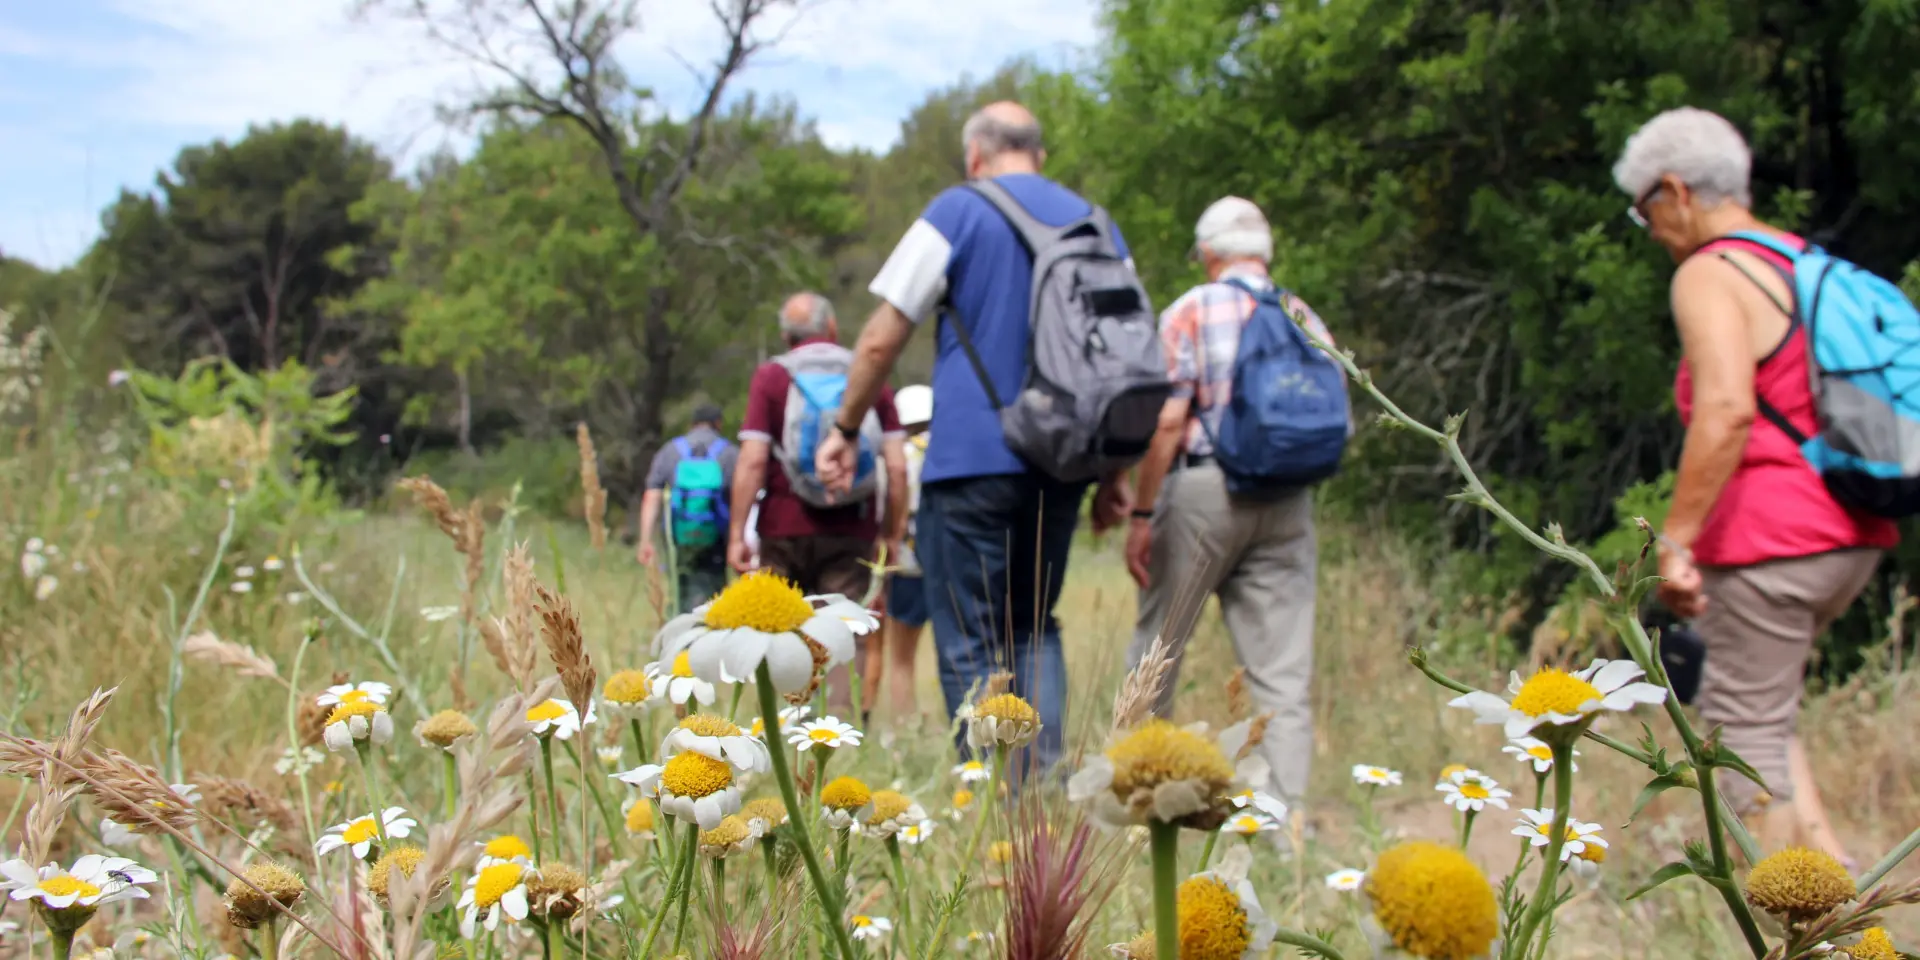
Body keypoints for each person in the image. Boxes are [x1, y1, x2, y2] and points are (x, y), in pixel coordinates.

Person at [812, 101, 1135, 770]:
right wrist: (1114, 476)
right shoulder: (1097, 225)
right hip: (1063, 462)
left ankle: (985, 796)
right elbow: (1122, 363)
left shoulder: (959, 210)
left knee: (968, 638)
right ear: (1040, 155)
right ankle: (1040, 790)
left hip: (971, 461)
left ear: (975, 155)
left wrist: (846, 429)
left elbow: (879, 340)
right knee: (1035, 627)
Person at [1616, 106, 1896, 862]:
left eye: (1645, 213)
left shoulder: (1710, 272)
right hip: (1852, 534)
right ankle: (1853, 920)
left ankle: (1801, 931)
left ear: (1674, 191)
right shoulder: (1802, 264)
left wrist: (1674, 543)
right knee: (1771, 730)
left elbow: (1729, 410)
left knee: (1739, 747)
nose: (1652, 233)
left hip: (1771, 543)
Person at [1124, 197, 1341, 806]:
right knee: (1282, 674)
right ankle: (1285, 827)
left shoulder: (1192, 309)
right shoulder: (1303, 314)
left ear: (1210, 253)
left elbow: (1169, 422)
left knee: (1158, 651)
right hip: (1289, 499)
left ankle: (1147, 800)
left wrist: (1141, 516)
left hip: (1204, 490)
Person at [731, 291, 909, 714]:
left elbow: (753, 460)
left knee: (775, 632)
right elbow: (898, 468)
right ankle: (837, 738)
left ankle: (778, 728)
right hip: (852, 529)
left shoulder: (772, 378)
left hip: (781, 527)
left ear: (786, 335)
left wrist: (737, 531)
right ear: (831, 327)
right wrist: (892, 534)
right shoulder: (869, 376)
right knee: (845, 635)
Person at [863, 384, 933, 725]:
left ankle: (904, 726)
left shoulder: (901, 456)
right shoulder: (951, 450)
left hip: (908, 563)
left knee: (902, 658)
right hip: (951, 561)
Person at [637, 403, 737, 613]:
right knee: (715, 591)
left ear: (691, 424)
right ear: (718, 423)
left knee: (681, 585)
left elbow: (652, 495)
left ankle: (683, 628)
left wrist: (646, 540)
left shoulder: (670, 450)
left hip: (678, 536)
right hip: (716, 538)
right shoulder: (729, 453)